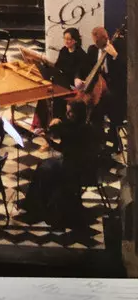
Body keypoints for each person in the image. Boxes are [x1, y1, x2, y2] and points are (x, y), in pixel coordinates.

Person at [20, 100, 101, 228]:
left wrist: (51, 136)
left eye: (70, 113)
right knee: (42, 166)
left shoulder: (80, 131)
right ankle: (35, 205)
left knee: (44, 171)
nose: (67, 115)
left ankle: (39, 208)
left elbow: (65, 147)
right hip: (72, 163)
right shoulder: (79, 127)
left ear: (78, 113)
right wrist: (48, 139)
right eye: (66, 112)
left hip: (77, 168)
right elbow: (64, 147)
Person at [77, 26, 126, 152]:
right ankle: (98, 141)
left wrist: (115, 55)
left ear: (105, 38)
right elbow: (84, 67)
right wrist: (78, 78)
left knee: (114, 111)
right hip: (98, 86)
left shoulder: (118, 46)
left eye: (98, 41)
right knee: (95, 111)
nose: (96, 44)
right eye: (94, 41)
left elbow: (127, 68)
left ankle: (115, 142)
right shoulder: (93, 49)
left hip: (115, 87)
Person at [32, 27, 87, 131]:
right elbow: (58, 67)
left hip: (71, 87)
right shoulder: (63, 50)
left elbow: (80, 74)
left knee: (55, 98)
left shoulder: (81, 55)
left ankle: (55, 127)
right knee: (44, 94)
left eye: (69, 39)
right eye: (65, 38)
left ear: (75, 40)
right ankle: (40, 125)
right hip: (61, 82)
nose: (66, 41)